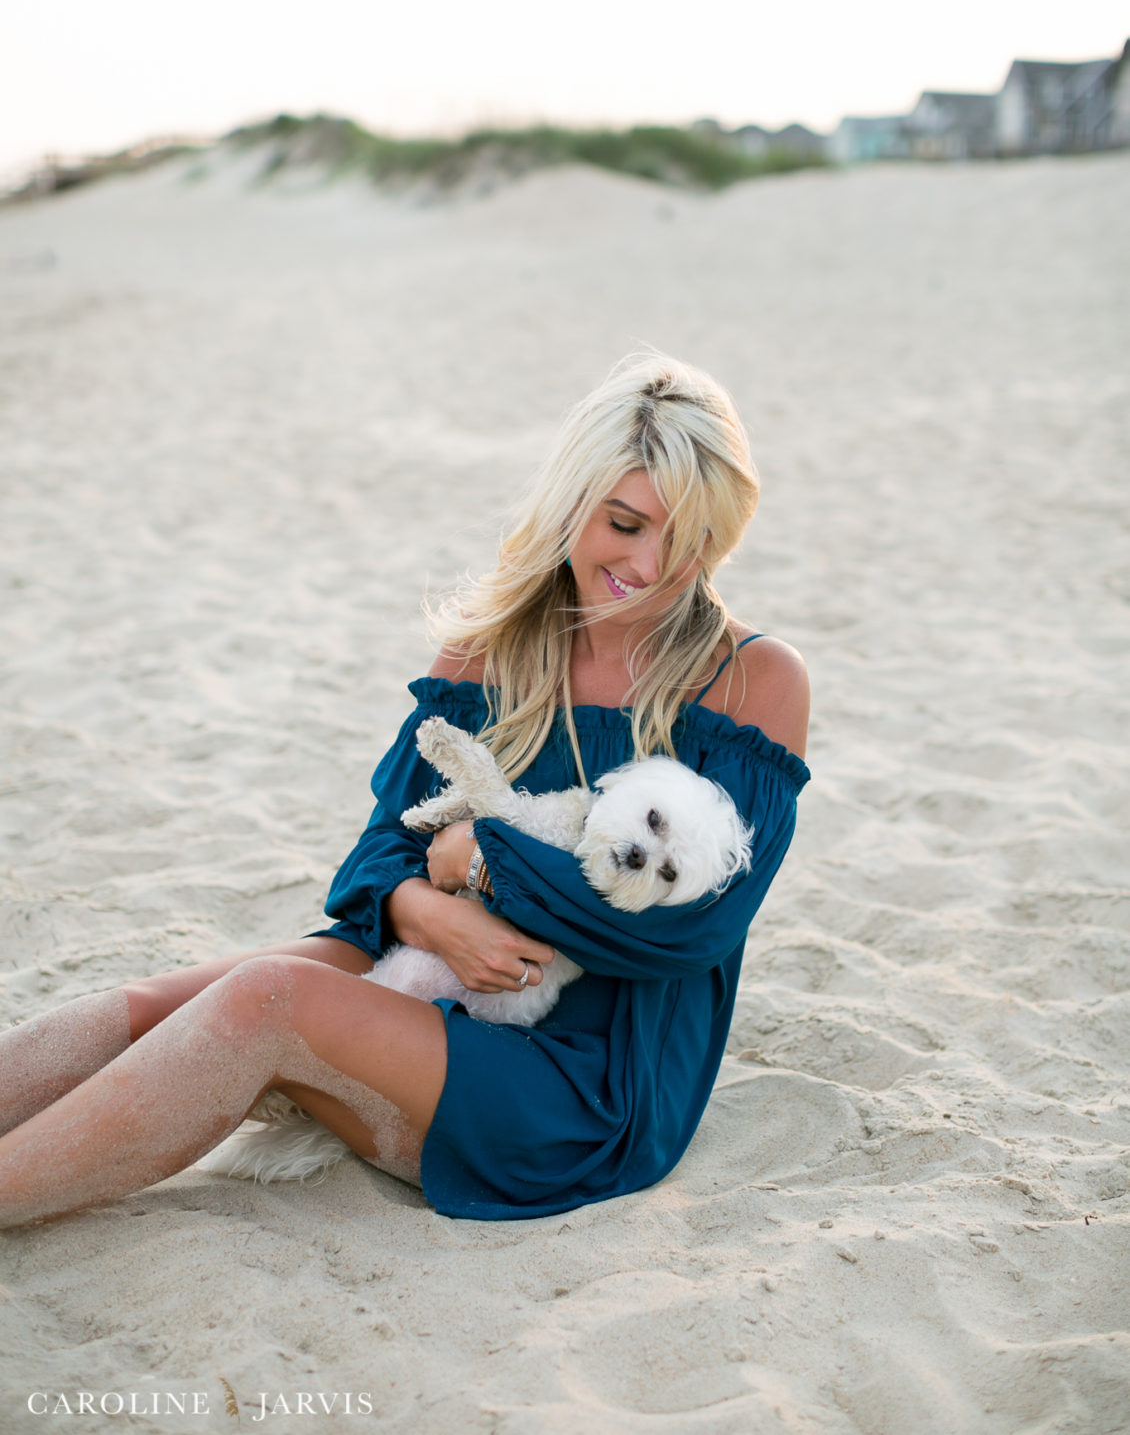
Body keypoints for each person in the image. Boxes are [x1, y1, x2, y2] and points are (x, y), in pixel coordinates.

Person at [0, 353, 809, 1227]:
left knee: (264, 1001)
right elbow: (380, 853)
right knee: (170, 1005)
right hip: (431, 966)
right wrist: (430, 913)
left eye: (688, 540)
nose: (649, 564)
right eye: (625, 523)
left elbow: (693, 927)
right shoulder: (489, 646)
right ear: (573, 499)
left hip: (588, 1073)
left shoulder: (752, 679)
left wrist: (482, 863)